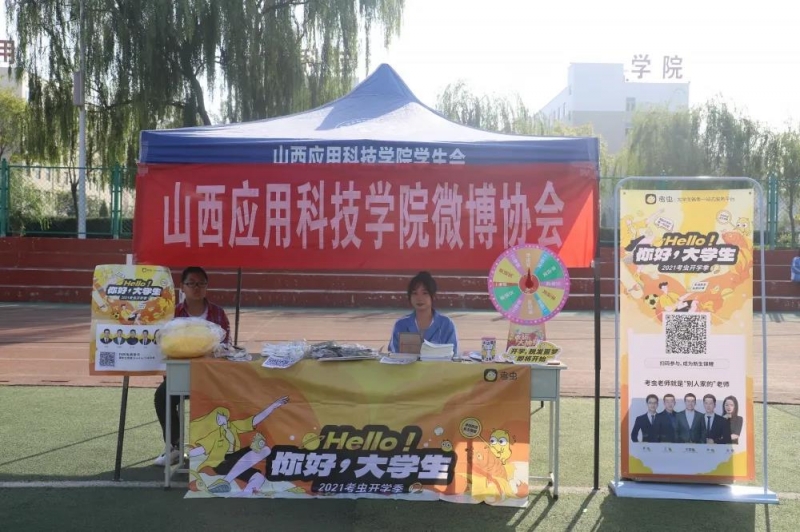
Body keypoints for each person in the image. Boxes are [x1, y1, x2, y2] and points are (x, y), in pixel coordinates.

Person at [153, 266, 231, 467]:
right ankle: (175, 447)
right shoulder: (173, 313)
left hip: (211, 376)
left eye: (201, 283)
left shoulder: (218, 313)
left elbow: (225, 346)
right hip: (181, 374)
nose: (196, 288)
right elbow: (165, 344)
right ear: (182, 287)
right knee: (162, 396)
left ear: (207, 286)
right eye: (191, 283)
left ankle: (216, 448)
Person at [388, 271, 458, 355]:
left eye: (425, 293)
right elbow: (394, 355)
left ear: (433, 296)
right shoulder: (400, 325)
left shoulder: (446, 324)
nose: (419, 298)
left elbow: (453, 355)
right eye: (415, 293)